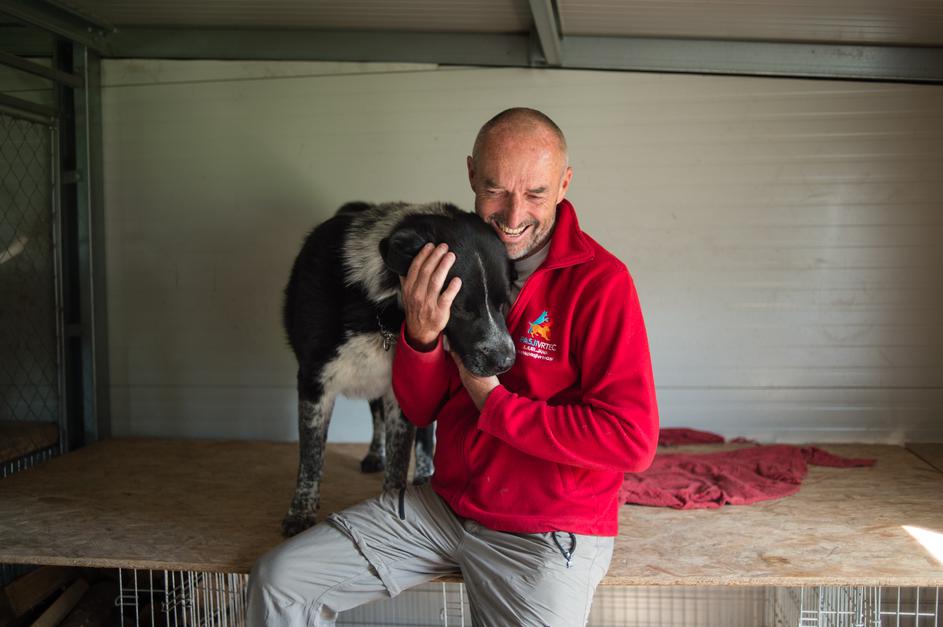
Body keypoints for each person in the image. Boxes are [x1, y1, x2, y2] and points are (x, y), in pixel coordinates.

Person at [247, 108, 659, 627]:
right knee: (280, 581)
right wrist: (420, 337)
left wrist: (494, 402)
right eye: (495, 189)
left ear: (564, 184)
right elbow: (422, 408)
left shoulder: (601, 283)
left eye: (535, 193)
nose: (513, 214)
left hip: (545, 528)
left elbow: (632, 441)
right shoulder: (449, 258)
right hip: (446, 506)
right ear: (471, 175)